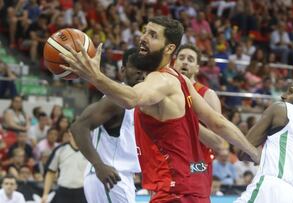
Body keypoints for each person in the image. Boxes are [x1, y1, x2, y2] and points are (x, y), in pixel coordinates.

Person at [60, 16, 259, 202]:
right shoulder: (180, 80)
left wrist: (94, 76)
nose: (143, 38)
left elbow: (131, 98)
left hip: (173, 191)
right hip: (194, 188)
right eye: (145, 31)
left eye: (153, 35)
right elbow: (218, 122)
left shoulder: (160, 80)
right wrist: (252, 152)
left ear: (169, 48)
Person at [70, 48, 146, 203]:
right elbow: (78, 127)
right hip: (110, 175)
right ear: (123, 71)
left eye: (145, 68)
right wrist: (99, 165)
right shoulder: (116, 100)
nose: (141, 73)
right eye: (136, 68)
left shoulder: (142, 101)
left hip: (122, 177)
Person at [235, 79, 293, 203]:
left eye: (290, 91)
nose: (283, 95)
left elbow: (243, 151)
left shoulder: (282, 109)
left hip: (274, 190)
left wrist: (261, 156)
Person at [173, 43, 224, 196]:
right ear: (174, 63)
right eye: (181, 58)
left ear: (196, 68)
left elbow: (218, 142)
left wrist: (188, 121)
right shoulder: (164, 91)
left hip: (196, 167)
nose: (185, 62)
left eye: (190, 59)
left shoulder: (208, 95)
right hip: (167, 167)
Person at [41, 131, 88, 203]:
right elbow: (50, 173)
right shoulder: (60, 150)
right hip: (63, 191)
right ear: (70, 133)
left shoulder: (89, 151)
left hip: (83, 192)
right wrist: (45, 194)